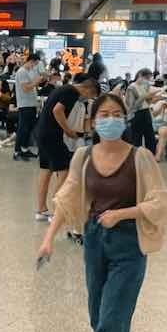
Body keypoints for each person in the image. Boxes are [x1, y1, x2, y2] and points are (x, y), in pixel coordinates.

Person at [36, 92, 167, 332]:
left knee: (113, 318)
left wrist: (123, 213)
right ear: (93, 122)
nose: (110, 119)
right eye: (103, 114)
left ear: (125, 119)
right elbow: (67, 197)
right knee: (98, 316)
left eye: (116, 113)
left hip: (129, 244)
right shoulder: (83, 155)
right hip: (94, 240)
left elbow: (159, 201)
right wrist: (48, 238)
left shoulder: (140, 158)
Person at [35, 74, 99, 221]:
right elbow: (57, 110)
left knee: (46, 171)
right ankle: (56, 212)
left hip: (41, 132)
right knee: (65, 170)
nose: (88, 98)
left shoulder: (63, 89)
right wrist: (68, 130)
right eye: (91, 95)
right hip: (52, 135)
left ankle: (41, 209)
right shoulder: (72, 92)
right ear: (87, 89)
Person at [12, 53, 41, 161]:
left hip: (31, 104)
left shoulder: (29, 72)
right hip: (25, 104)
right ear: (31, 61)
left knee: (28, 129)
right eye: (35, 63)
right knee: (22, 129)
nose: (35, 66)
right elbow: (26, 88)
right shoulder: (22, 72)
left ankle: (24, 149)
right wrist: (36, 82)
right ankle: (17, 151)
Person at [123, 69, 159, 154]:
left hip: (146, 112)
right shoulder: (131, 88)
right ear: (140, 75)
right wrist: (144, 97)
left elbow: (147, 102)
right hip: (136, 114)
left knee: (150, 137)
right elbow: (131, 106)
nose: (147, 80)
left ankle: (151, 155)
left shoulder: (145, 86)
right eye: (146, 78)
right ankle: (136, 157)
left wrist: (152, 97)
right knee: (136, 138)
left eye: (149, 78)